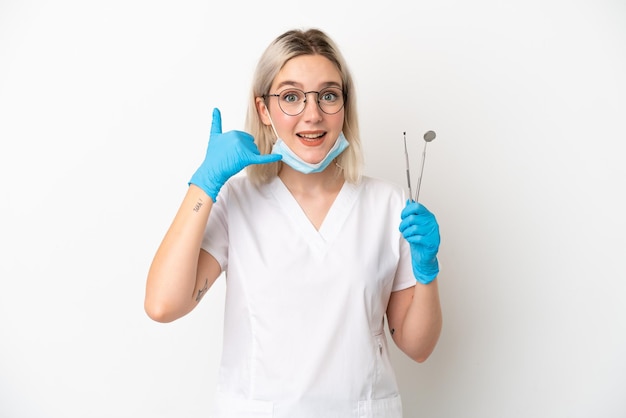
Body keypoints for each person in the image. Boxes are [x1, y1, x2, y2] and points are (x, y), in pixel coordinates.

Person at [145, 28, 442, 418]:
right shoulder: (237, 201)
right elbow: (163, 304)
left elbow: (417, 347)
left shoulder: (388, 204)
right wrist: (203, 185)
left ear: (344, 106)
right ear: (264, 111)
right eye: (291, 97)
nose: (313, 114)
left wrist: (427, 271)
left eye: (328, 95)